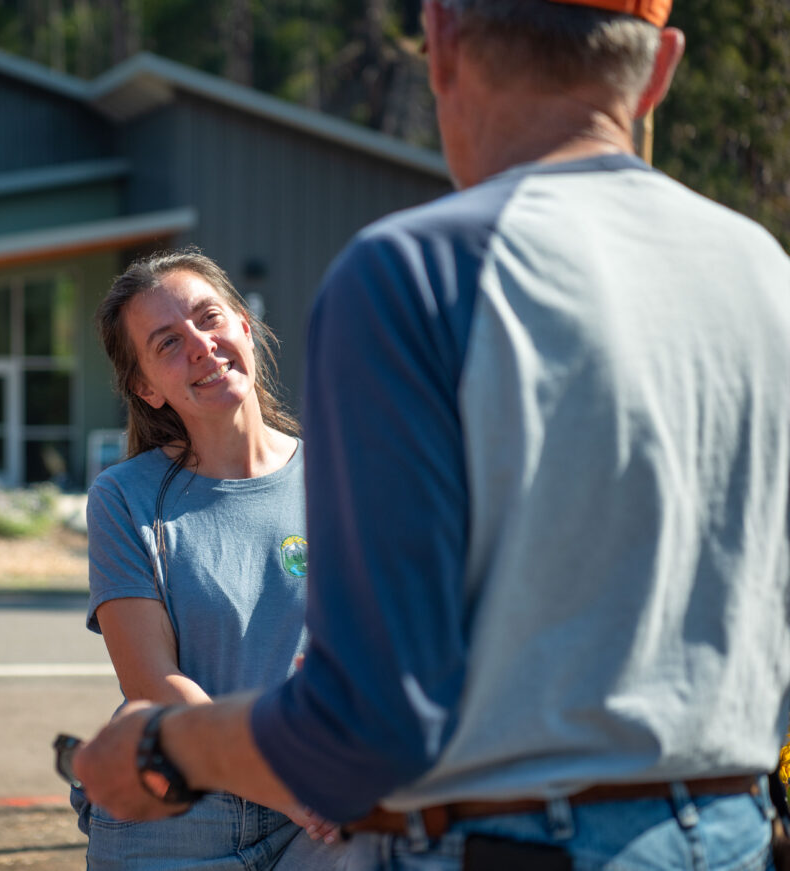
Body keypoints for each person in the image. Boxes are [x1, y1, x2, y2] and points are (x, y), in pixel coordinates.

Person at [73, 2, 790, 869]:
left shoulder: (414, 273)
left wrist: (161, 749)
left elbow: (375, 715)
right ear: (663, 69)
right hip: (733, 831)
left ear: (441, 44)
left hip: (511, 839)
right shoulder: (763, 270)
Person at [72, 249, 344, 870]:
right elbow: (150, 681)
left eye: (209, 318)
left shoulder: (343, 477)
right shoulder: (126, 498)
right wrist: (278, 786)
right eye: (167, 343)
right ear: (146, 386)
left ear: (245, 326)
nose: (201, 345)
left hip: (317, 809)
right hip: (179, 817)